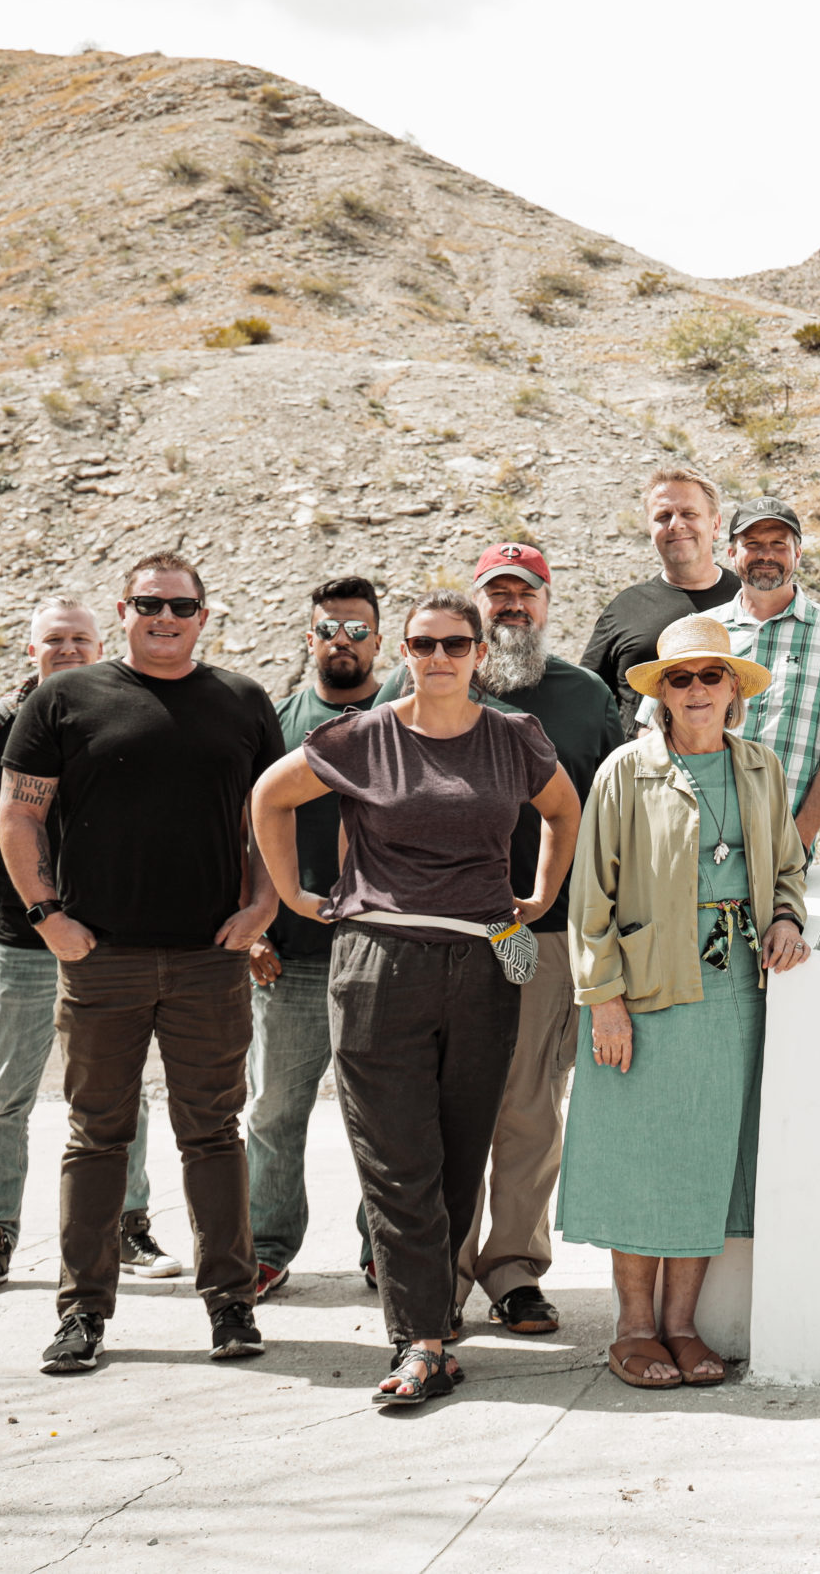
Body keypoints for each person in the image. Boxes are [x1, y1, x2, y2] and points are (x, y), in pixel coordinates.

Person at [250, 591, 581, 1408]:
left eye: (455, 644)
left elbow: (563, 811)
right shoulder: (363, 735)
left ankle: (437, 1318)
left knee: (462, 1148)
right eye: (423, 644)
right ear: (403, 649)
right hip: (378, 962)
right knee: (397, 1154)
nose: (439, 658)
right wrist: (293, 893)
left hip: (485, 958)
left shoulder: (513, 737)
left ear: (477, 652)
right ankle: (421, 1339)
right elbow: (269, 795)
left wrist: (536, 894)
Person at [0, 554, 284, 1375]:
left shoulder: (241, 701)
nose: (166, 617)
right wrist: (48, 916)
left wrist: (262, 904)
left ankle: (230, 1303)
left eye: (182, 605)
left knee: (213, 1133)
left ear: (204, 613)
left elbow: (269, 815)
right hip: (101, 959)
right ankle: (82, 1312)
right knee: (97, 1137)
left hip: (209, 958)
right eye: (150, 603)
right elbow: (19, 816)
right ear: (122, 608)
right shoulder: (65, 698)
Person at [372, 544, 630, 1337]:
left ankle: (514, 1269)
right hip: (433, 935)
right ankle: (437, 1274)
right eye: (497, 595)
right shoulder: (418, 681)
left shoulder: (584, 697)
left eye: (525, 593)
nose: (512, 606)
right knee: (443, 1108)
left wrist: (582, 912)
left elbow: (604, 813)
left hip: (539, 935)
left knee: (527, 1107)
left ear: (548, 603)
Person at [561, 614, 811, 1389]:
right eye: (681, 677)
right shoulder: (624, 771)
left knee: (706, 1155)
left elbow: (790, 867)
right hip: (645, 987)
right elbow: (589, 895)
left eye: (712, 675)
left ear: (734, 688)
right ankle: (633, 1327)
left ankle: (681, 1325)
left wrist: (786, 916)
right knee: (642, 1156)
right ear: (660, 694)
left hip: (735, 983)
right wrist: (602, 999)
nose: (697, 689)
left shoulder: (762, 768)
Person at [0, 601, 171, 1300]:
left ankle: (130, 1227)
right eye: (54, 640)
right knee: (5, 1095)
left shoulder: (123, 713)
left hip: (111, 941)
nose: (67, 649)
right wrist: (29, 907)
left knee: (117, 1090)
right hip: (22, 947)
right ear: (30, 649)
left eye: (80, 639)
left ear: (101, 645)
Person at [244, 577, 384, 1301]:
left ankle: (382, 1250)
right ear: (310, 639)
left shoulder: (406, 715)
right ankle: (265, 1247)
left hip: (386, 953)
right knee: (273, 1108)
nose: (343, 640)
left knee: (383, 1113)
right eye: (330, 628)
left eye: (358, 630)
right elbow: (241, 828)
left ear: (379, 643)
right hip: (291, 957)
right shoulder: (276, 721)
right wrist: (252, 926)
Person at [646, 498, 820, 855]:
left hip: (779, 848)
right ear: (732, 553)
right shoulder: (697, 631)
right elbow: (652, 731)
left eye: (778, 544)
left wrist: (800, 838)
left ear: (798, 553)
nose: (766, 554)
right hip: (686, 845)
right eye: (753, 544)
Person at [581, 467, 745, 712]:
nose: (676, 525)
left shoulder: (748, 601)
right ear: (650, 529)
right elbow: (585, 699)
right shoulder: (625, 608)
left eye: (689, 514)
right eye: (663, 516)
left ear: (715, 525)